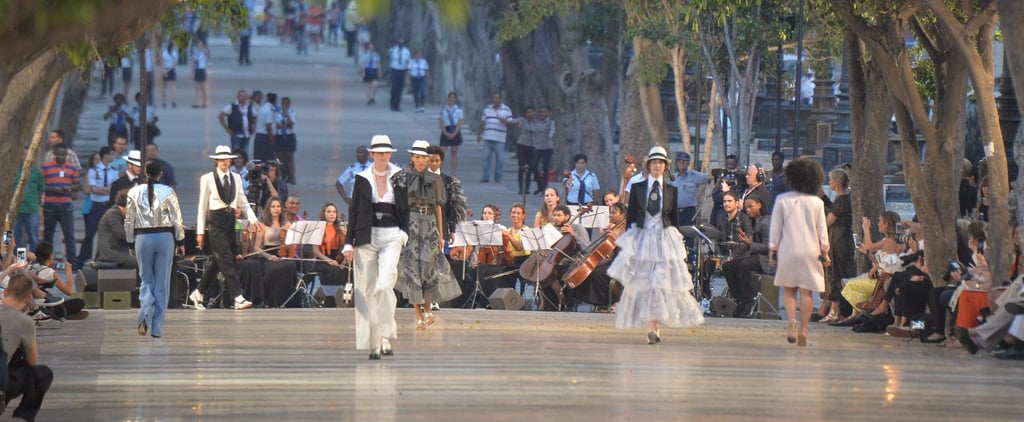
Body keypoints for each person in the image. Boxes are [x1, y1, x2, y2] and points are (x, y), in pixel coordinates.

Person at [608, 146, 704, 344]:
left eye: (661, 163)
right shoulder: (638, 187)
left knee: (659, 283)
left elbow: (674, 219)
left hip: (663, 239)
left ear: (666, 166)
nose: (657, 166)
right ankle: (652, 325)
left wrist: (677, 242)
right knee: (644, 283)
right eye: (654, 162)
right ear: (649, 165)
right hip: (643, 238)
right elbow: (632, 215)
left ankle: (654, 326)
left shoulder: (671, 190)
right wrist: (630, 244)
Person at [342, 135, 408, 360]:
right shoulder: (361, 178)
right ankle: (376, 341)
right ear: (371, 154)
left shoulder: (400, 176)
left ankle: (386, 333)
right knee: (368, 290)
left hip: (392, 235)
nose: (382, 155)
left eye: (386, 151)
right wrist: (347, 243)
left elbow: (407, 207)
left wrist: (404, 232)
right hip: (366, 236)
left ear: (390, 153)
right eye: (378, 152)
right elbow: (354, 212)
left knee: (384, 285)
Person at [395, 140, 461, 329]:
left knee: (430, 269)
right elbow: (400, 207)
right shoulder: (404, 178)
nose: (421, 160)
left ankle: (428, 310)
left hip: (430, 223)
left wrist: (441, 233)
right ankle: (418, 315)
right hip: (412, 224)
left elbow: (439, 207)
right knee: (412, 269)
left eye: (424, 157)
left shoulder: (435, 179)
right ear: (412, 158)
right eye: (417, 157)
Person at [768, 157, 831, 347]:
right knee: (807, 292)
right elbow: (822, 229)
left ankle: (791, 321)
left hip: (788, 249)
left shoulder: (782, 200)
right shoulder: (817, 203)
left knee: (788, 289)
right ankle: (804, 329)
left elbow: (775, 227)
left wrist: (773, 250)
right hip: (811, 251)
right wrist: (825, 251)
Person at [190, 146, 258, 310]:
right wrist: (200, 231)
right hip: (216, 221)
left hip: (230, 221)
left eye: (226, 158)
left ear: (230, 160)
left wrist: (253, 219)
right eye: (221, 159)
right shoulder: (207, 178)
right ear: (216, 161)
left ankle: (199, 292)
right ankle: (238, 296)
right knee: (226, 259)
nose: (224, 161)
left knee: (219, 260)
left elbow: (242, 202)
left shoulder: (236, 177)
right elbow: (202, 206)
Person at [124, 160, 184, 338]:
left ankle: (145, 312)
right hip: (165, 237)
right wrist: (180, 241)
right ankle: (156, 327)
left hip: (142, 238)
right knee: (162, 283)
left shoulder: (134, 192)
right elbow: (177, 219)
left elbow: (129, 220)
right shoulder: (168, 191)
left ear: (145, 172)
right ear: (160, 173)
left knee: (146, 279)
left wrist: (130, 242)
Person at [0, 274, 54, 422]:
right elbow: (32, 360)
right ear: (29, 298)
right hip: (2, 382)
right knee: (42, 374)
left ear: (5, 292)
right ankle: (23, 416)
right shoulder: (24, 321)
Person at [721, 196, 771, 318]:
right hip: (755, 255)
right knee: (728, 266)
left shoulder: (766, 223)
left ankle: (748, 299)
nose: (748, 210)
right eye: (747, 207)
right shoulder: (753, 222)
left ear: (759, 205)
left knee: (744, 265)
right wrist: (734, 256)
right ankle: (738, 298)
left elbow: (769, 247)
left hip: (766, 258)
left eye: (751, 207)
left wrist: (750, 244)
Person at [820, 168, 855, 323]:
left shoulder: (842, 201)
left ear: (837, 182)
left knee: (836, 274)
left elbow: (829, 220)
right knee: (836, 274)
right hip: (840, 239)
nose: (829, 182)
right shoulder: (843, 199)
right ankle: (835, 310)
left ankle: (835, 311)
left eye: (831, 180)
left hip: (839, 241)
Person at [41, 143, 80, 267]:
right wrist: (54, 189)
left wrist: (67, 188)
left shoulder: (72, 168)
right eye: (59, 153)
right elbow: (41, 186)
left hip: (66, 205)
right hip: (50, 204)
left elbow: (76, 185)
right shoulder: (46, 167)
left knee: (69, 235)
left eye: (64, 154)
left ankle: (72, 263)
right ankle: (45, 262)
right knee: (48, 235)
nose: (62, 156)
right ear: (54, 154)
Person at [78, 147, 117, 264]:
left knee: (108, 233)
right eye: (111, 154)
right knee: (90, 234)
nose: (113, 157)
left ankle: (104, 257)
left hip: (108, 205)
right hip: (96, 206)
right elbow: (94, 189)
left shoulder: (113, 171)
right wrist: (107, 190)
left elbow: (115, 189)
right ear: (106, 156)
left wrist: (104, 189)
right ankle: (82, 259)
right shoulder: (93, 171)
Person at [13, 151, 46, 252]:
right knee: (17, 238)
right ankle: (20, 261)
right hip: (16, 210)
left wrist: (40, 203)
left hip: (31, 209)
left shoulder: (36, 172)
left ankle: (33, 262)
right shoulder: (14, 171)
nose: (26, 157)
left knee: (33, 237)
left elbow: (41, 189)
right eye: (23, 154)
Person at [477, 92, 513, 183]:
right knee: (485, 158)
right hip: (488, 137)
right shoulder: (487, 109)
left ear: (500, 99)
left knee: (500, 158)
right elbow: (482, 122)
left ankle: (498, 176)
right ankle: (485, 177)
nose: (495, 100)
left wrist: (504, 121)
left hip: (499, 138)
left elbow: (511, 123)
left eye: (497, 98)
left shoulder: (506, 110)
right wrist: (479, 134)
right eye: (494, 98)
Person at [95, 191, 136, 268]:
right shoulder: (113, 214)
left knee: (145, 260)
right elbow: (120, 235)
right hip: (113, 253)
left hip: (120, 251)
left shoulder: (119, 213)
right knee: (141, 263)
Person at [669, 152, 711, 227]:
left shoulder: (694, 176)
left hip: (689, 213)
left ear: (688, 163)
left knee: (689, 236)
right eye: (680, 161)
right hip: (675, 213)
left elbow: (710, 177)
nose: (682, 163)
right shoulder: (672, 178)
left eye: (685, 161)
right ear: (677, 162)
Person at [514, 106, 539, 195]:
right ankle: (521, 188)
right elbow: (512, 121)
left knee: (530, 167)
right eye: (528, 112)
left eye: (532, 112)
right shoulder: (522, 121)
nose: (530, 114)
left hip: (532, 147)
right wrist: (518, 123)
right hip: (522, 145)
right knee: (522, 167)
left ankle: (527, 188)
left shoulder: (537, 123)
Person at [438, 91, 464, 174]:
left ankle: (453, 172)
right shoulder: (444, 109)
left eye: (453, 97)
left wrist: (455, 133)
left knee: (454, 151)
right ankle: (439, 171)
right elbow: (441, 121)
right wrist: (445, 132)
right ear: (448, 98)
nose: (452, 99)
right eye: (450, 97)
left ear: (456, 99)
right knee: (442, 151)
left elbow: (460, 122)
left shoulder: (458, 110)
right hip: (446, 129)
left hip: (455, 130)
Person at [532, 105, 555, 194]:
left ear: (548, 113)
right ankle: (540, 186)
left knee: (545, 167)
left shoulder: (551, 122)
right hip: (538, 147)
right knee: (534, 166)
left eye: (545, 112)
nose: (543, 113)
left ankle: (544, 187)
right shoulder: (537, 122)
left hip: (547, 147)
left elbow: (552, 131)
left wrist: (551, 136)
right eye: (541, 112)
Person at [275, 96, 298, 184]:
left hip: (289, 136)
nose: (285, 105)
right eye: (283, 103)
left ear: (289, 104)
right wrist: (285, 125)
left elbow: (291, 124)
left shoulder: (291, 113)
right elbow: (276, 125)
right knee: (279, 157)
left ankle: (292, 177)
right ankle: (282, 175)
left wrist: (286, 115)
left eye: (286, 103)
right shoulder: (277, 113)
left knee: (290, 157)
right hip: (280, 136)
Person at [254, 92, 278, 162]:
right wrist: (273, 140)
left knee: (258, 160)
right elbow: (268, 126)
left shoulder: (262, 107)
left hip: (258, 135)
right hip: (266, 137)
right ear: (274, 101)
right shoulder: (270, 109)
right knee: (268, 160)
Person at [387, 38, 410, 111]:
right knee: (394, 88)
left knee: (400, 89)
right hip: (394, 70)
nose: (400, 44)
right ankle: (392, 103)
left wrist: (407, 74)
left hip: (402, 70)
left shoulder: (406, 51)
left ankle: (397, 105)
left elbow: (408, 62)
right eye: (399, 43)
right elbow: (387, 56)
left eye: (402, 43)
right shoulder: (393, 50)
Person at [192, 39, 209, 108]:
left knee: (203, 88)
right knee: (197, 88)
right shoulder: (196, 53)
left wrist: (205, 48)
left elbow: (208, 53)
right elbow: (194, 63)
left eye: (201, 45)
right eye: (198, 45)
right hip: (197, 70)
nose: (200, 46)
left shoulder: (204, 52)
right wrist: (192, 72)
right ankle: (197, 103)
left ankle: (205, 102)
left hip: (202, 70)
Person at [161, 42, 179, 108]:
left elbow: (162, 63)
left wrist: (164, 70)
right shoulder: (174, 54)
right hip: (171, 70)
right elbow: (175, 64)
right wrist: (168, 70)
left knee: (164, 87)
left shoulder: (164, 53)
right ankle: (173, 101)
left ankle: (164, 102)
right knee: (173, 87)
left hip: (165, 69)